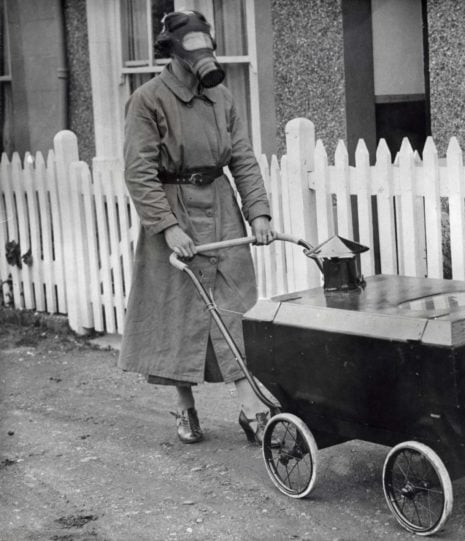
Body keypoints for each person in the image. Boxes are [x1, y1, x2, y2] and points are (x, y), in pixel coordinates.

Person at [118, 9, 275, 445]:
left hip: (221, 204)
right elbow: (139, 172)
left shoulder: (221, 97)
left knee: (235, 304)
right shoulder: (148, 100)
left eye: (207, 46)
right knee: (177, 309)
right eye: (192, 48)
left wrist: (258, 211)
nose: (202, 57)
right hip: (174, 208)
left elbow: (242, 157)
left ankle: (250, 406)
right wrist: (167, 227)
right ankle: (184, 407)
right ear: (172, 52)